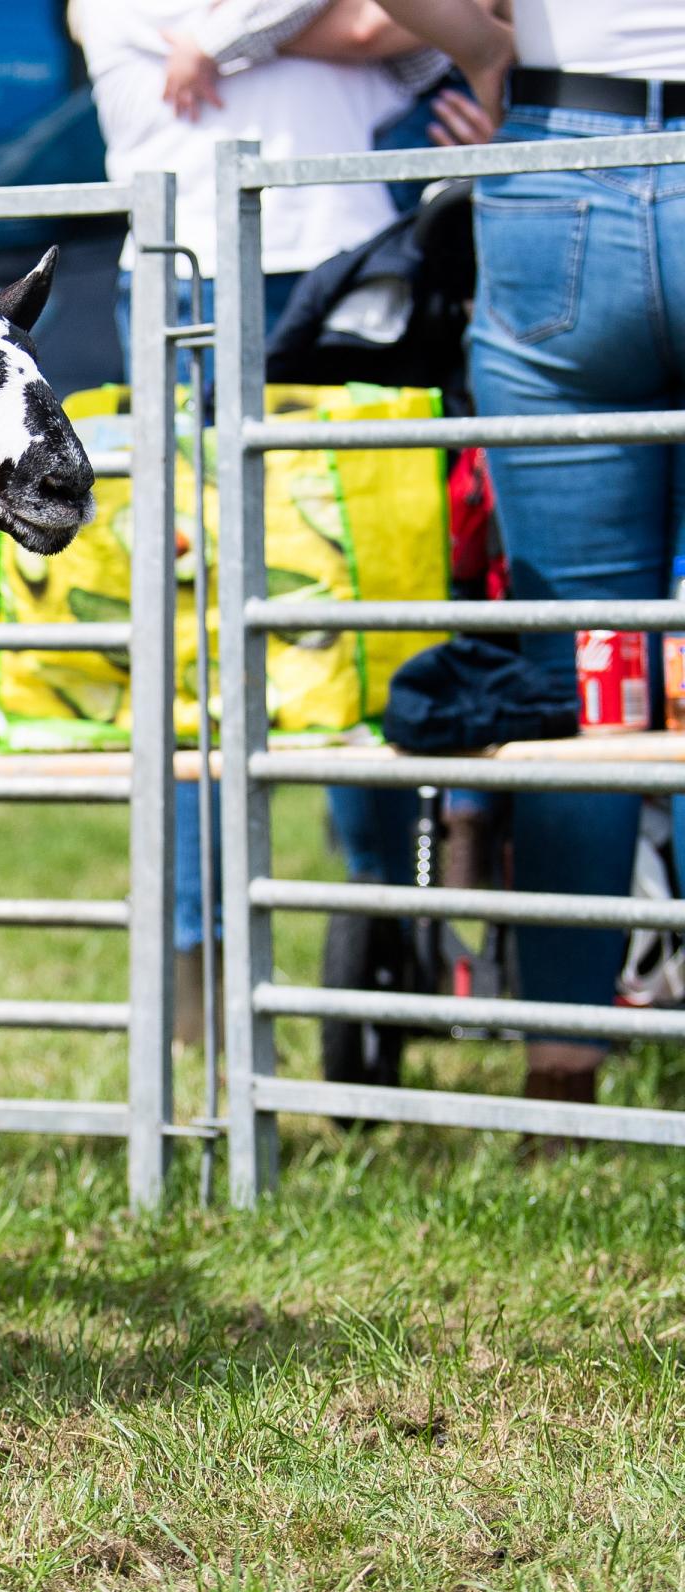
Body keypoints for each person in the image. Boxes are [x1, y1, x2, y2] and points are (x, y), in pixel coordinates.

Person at [73, 0, 491, 1046]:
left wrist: (228, 36)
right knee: (197, 653)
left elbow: (451, 18)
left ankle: (392, 934)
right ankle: (206, 1006)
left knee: (372, 610)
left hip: (357, 268)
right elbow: (358, 31)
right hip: (193, 284)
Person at [373, 0, 685, 1115]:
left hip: (563, 163)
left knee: (585, 671)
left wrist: (484, 49)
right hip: (570, 154)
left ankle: (562, 1076)